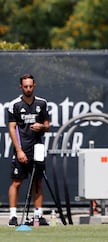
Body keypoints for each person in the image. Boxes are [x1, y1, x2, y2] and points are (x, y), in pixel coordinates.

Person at [7, 74, 50, 226]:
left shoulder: (42, 103)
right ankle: (12, 216)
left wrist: (42, 127)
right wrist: (19, 151)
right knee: (16, 182)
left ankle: (37, 216)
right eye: (25, 86)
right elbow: (12, 129)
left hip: (37, 149)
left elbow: (47, 124)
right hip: (22, 149)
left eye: (30, 86)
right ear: (21, 87)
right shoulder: (15, 105)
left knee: (37, 182)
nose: (28, 89)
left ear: (34, 86)